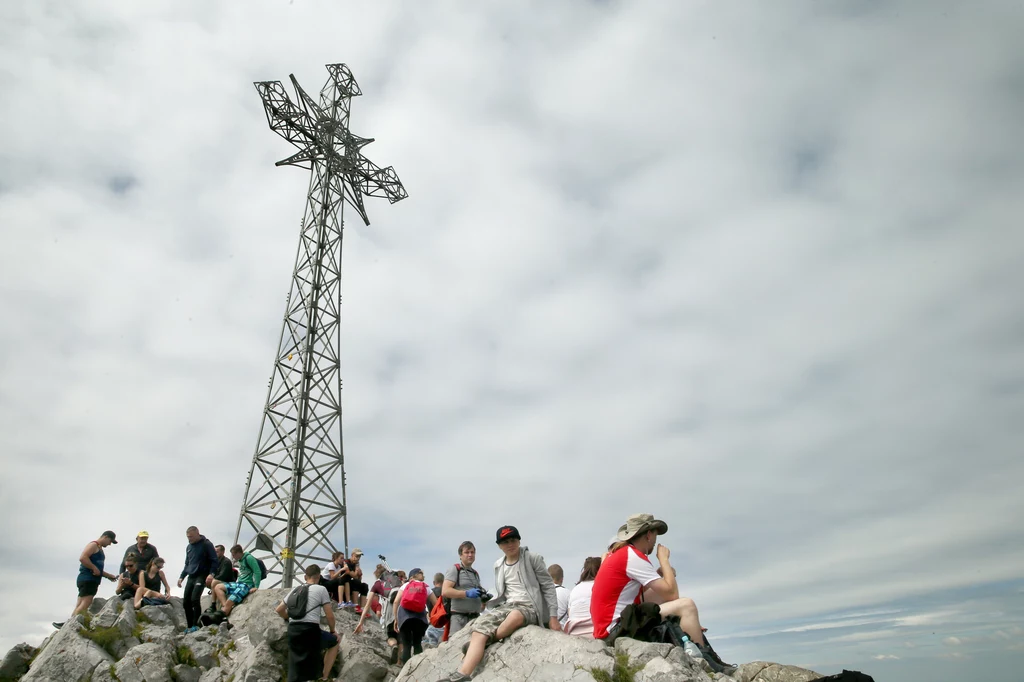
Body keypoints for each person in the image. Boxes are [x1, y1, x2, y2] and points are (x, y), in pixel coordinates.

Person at [590, 513, 734, 674]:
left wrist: (659, 576)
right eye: (656, 534)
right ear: (649, 535)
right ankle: (706, 664)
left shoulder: (622, 554)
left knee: (662, 596)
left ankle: (702, 651)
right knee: (686, 605)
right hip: (614, 631)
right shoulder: (632, 556)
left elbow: (634, 591)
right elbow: (672, 594)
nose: (656, 540)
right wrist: (664, 560)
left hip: (607, 629)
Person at [439, 525, 559, 682]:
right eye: (505, 542)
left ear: (519, 540)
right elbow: (504, 593)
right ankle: (462, 674)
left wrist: (553, 616)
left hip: (530, 606)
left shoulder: (532, 558)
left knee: (515, 617)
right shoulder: (498, 565)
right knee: (480, 628)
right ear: (499, 546)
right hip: (508, 606)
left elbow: (548, 586)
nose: (510, 544)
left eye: (513, 540)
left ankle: (485, 642)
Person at [275, 565, 339, 682]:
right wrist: (332, 631)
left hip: (293, 630)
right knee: (334, 642)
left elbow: (279, 609)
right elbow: (329, 616)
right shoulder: (321, 589)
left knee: (295, 665)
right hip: (311, 630)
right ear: (319, 577)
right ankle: (324, 677)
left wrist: (288, 618)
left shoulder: (295, 590)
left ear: (305, 577)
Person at [53, 531, 118, 628]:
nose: (109, 544)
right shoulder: (93, 545)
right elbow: (83, 558)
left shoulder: (99, 549)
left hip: (89, 579)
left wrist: (108, 576)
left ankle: (68, 623)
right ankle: (70, 625)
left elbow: (98, 569)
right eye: (110, 541)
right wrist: (93, 568)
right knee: (86, 602)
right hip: (88, 578)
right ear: (105, 537)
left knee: (80, 603)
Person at [354, 564, 400, 663]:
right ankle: (400, 662)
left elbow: (367, 605)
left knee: (390, 635)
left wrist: (360, 622)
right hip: (402, 608)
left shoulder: (377, 584)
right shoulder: (395, 578)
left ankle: (393, 645)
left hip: (390, 609)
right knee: (401, 635)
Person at [205, 544, 262, 620]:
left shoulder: (249, 558)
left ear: (238, 553)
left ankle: (224, 612)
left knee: (229, 602)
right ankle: (225, 608)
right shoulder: (240, 560)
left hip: (247, 585)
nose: (233, 557)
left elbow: (257, 571)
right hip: (239, 583)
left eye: (234, 555)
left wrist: (256, 586)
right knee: (218, 587)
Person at [177, 526, 217, 632]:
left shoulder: (206, 544)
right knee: (186, 602)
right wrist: (181, 577)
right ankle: (189, 626)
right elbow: (187, 564)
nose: (189, 539)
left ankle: (196, 625)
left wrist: (211, 574)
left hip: (202, 574)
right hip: (191, 575)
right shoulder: (189, 547)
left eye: (191, 537)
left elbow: (214, 560)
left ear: (197, 533)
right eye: (188, 537)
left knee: (195, 599)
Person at [393, 568, 437, 665]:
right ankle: (418, 669)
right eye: (420, 572)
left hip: (404, 617)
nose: (422, 574)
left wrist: (396, 619)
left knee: (406, 644)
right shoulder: (426, 587)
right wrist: (432, 616)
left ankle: (406, 672)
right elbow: (436, 603)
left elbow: (396, 602)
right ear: (412, 576)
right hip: (419, 618)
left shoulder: (405, 585)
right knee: (417, 643)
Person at [441, 541, 484, 637]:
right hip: (459, 618)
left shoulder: (475, 573)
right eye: (467, 552)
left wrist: (483, 599)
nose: (470, 555)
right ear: (460, 555)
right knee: (455, 648)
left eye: (472, 552)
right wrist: (466, 593)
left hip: (475, 618)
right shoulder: (455, 569)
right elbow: (445, 591)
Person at [563, 557, 602, 637]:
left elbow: (570, 613)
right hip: (595, 634)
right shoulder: (601, 586)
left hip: (573, 634)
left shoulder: (575, 589)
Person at [423, 572, 446, 647]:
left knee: (431, 647)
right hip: (445, 624)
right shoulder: (446, 592)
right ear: (444, 581)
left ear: (433, 582)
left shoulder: (429, 593)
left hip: (433, 624)